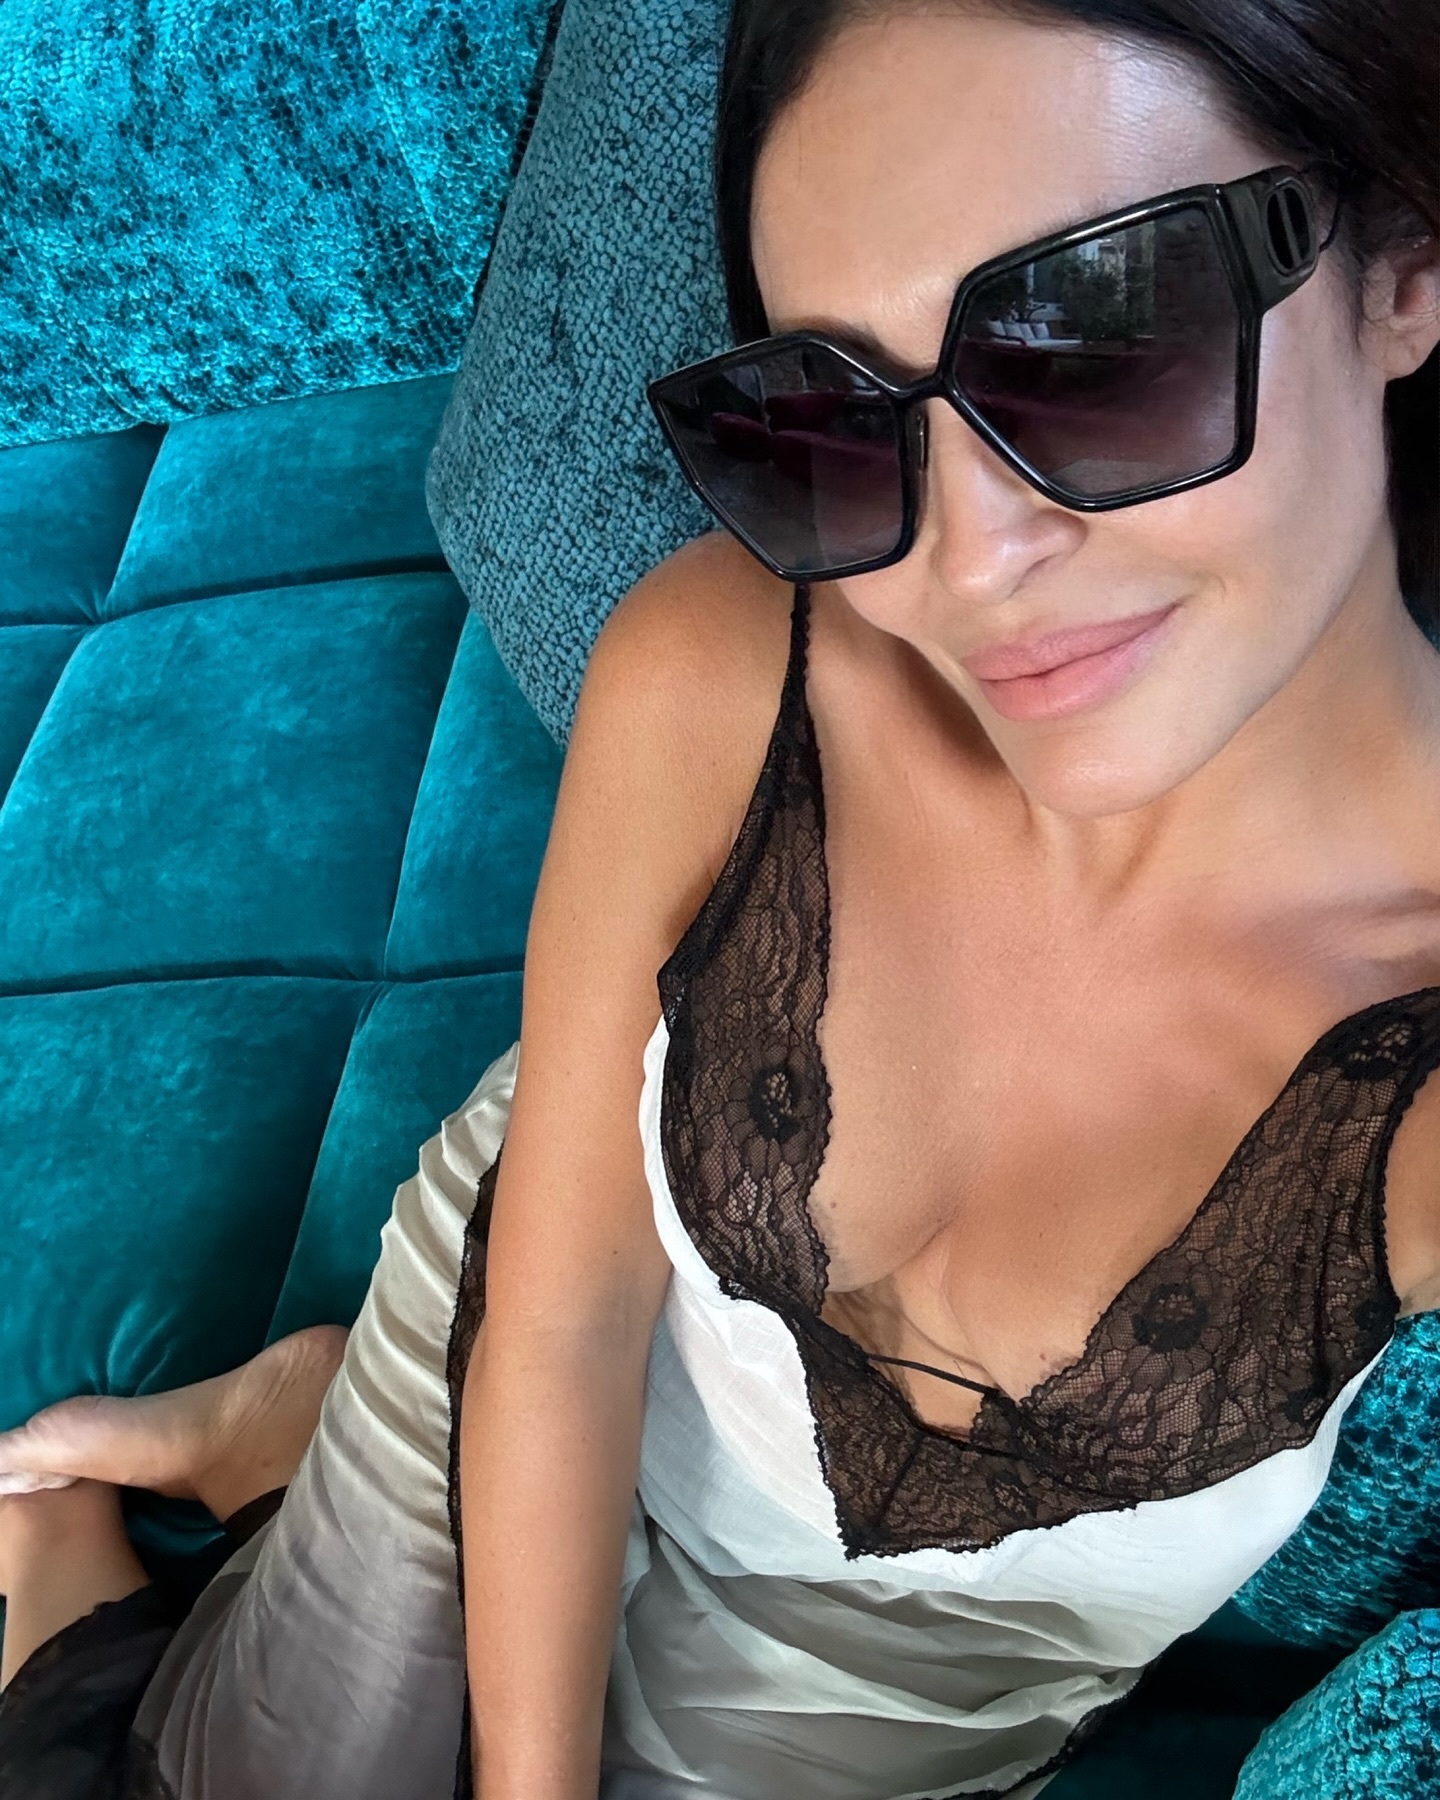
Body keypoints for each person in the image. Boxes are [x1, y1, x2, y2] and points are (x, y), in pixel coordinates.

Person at [1, 0, 1437, 1795]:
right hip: (535, 1325)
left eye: (1099, 336)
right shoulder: (729, 665)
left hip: (895, 1695)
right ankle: (142, 1511)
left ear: (1403, 266)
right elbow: (564, 1308)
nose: (969, 556)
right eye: (834, 419)